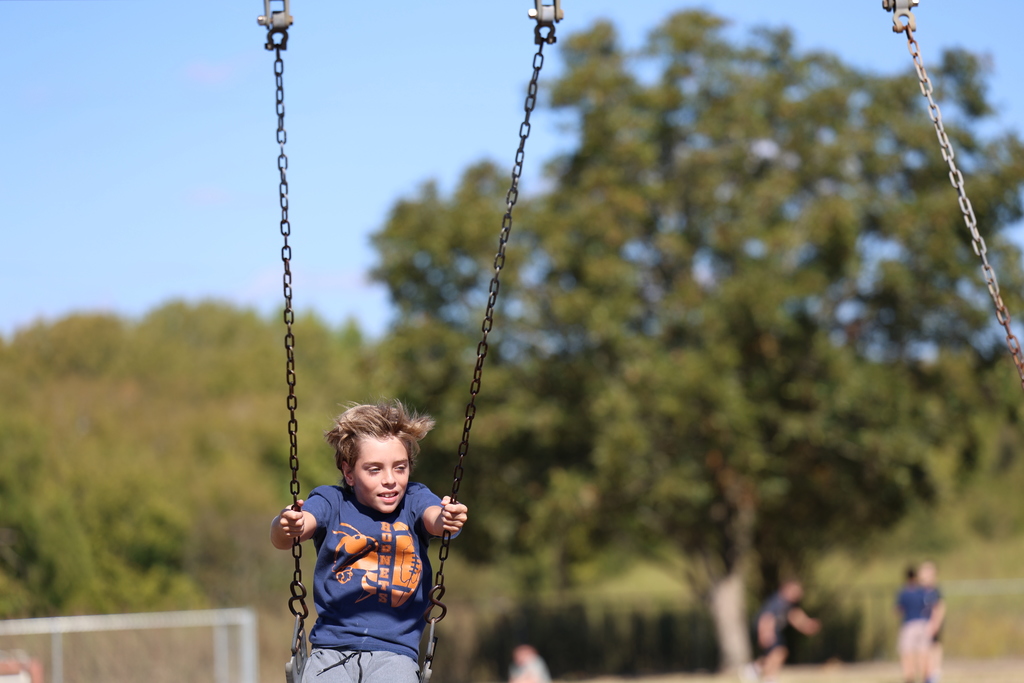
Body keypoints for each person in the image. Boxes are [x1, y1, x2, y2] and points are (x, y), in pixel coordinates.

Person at [270, 400, 469, 683]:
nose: (390, 480)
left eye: (400, 468)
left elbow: (436, 521)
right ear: (349, 473)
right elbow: (291, 533)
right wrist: (288, 523)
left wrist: (448, 517)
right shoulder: (331, 501)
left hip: (395, 655)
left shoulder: (414, 499)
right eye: (374, 470)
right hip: (330, 651)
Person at [742, 580, 821, 683]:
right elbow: (766, 617)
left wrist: (807, 625)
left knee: (775, 654)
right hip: (766, 630)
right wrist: (764, 634)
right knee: (779, 652)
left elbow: (795, 617)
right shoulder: (778, 601)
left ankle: (754, 669)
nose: (798, 595)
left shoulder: (788, 604)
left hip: (774, 630)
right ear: (787, 589)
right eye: (796, 592)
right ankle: (768, 677)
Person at [918, 562, 945, 683]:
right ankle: (925, 673)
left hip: (931, 622)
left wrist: (936, 623)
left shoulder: (935, 590)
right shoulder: (918, 589)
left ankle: (935, 673)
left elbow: (940, 606)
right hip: (920, 623)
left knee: (934, 647)